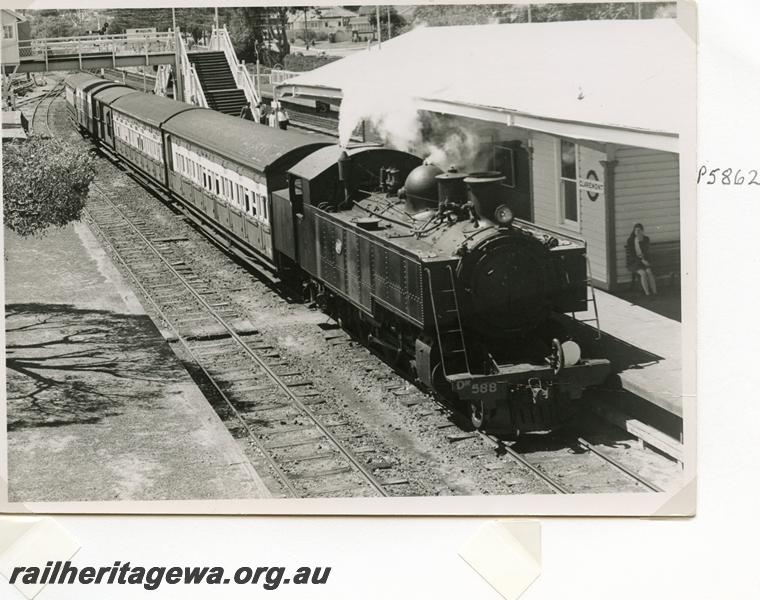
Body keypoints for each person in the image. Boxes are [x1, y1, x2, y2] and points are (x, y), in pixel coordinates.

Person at [626, 223, 658, 296]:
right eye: (636, 230)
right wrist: (642, 261)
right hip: (634, 262)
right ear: (634, 231)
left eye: (639, 230)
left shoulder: (646, 239)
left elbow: (646, 252)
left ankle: (655, 292)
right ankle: (647, 293)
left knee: (649, 272)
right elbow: (632, 255)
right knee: (643, 273)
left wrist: (647, 261)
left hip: (644, 261)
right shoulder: (631, 240)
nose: (637, 232)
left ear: (642, 231)